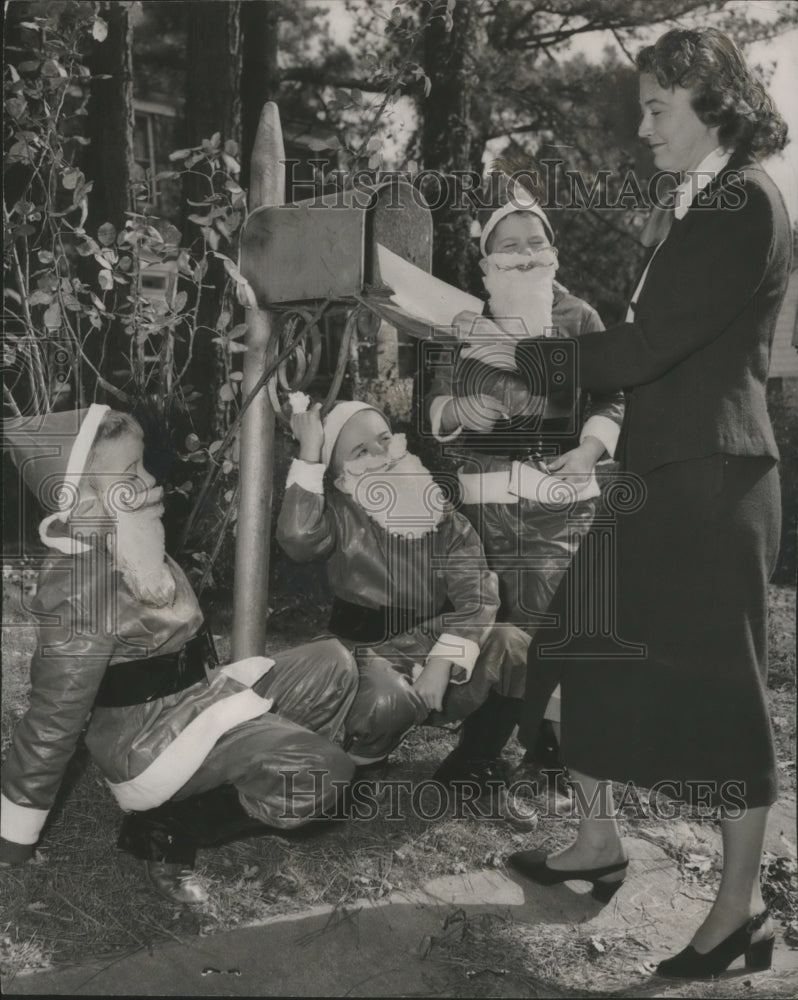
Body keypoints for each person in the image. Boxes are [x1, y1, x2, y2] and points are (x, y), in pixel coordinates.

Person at [503, 27, 791, 980]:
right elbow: (647, 348)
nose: (641, 126)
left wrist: (523, 350)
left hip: (714, 482)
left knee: (725, 693)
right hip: (664, 476)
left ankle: (740, 912)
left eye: (657, 106)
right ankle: (596, 839)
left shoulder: (744, 202)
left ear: (710, 99)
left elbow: (641, 352)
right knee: (575, 637)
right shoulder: (700, 202)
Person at [1, 406, 357, 904]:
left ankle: (241, 776)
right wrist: (13, 838)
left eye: (142, 464)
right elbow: (52, 718)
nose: (150, 480)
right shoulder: (82, 588)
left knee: (333, 664)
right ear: (77, 497)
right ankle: (170, 830)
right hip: (152, 743)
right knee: (324, 771)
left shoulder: (127, 538)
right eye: (129, 473)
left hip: (199, 699)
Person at [422, 188, 624, 797]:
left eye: (536, 242)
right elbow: (431, 399)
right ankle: (478, 753)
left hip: (559, 506)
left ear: (552, 250)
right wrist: (458, 407)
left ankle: (552, 751)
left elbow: (613, 394)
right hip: (482, 509)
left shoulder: (581, 318)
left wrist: (589, 450)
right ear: (487, 260)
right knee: (493, 627)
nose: (525, 254)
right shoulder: (461, 321)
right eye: (509, 245)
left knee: (548, 625)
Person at [276, 399, 532, 810]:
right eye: (361, 452)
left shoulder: (440, 515)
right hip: (364, 653)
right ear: (340, 477)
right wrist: (309, 454)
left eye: (383, 441)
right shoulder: (339, 514)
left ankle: (472, 763)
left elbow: (478, 592)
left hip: (430, 644)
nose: (381, 457)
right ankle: (361, 768)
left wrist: (442, 660)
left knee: (516, 646)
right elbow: (298, 538)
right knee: (384, 698)